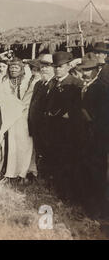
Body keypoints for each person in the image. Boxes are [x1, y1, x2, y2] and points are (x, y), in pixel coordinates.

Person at [43, 51, 83, 201]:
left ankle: (69, 195)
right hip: (53, 130)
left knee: (68, 162)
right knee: (55, 160)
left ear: (67, 67)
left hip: (69, 132)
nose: (57, 69)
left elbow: (79, 109)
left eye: (60, 67)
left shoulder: (76, 83)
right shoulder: (53, 83)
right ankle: (58, 191)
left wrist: (68, 115)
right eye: (55, 67)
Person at [0, 58, 39, 182]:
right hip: (9, 116)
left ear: (21, 69)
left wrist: (23, 108)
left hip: (23, 116)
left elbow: (30, 98)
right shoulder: (4, 81)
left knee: (24, 144)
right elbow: (0, 98)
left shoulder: (28, 81)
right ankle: (9, 170)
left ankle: (24, 170)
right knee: (9, 143)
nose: (13, 70)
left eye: (16, 67)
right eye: (11, 67)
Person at [77, 57, 109, 217]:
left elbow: (103, 117)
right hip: (86, 136)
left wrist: (89, 121)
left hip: (97, 137)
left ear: (97, 70)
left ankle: (100, 210)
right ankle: (90, 207)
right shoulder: (87, 86)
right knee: (87, 171)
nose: (85, 73)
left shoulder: (100, 88)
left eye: (88, 70)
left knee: (97, 173)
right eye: (83, 70)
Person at [28, 54, 54, 181]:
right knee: (40, 151)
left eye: (48, 66)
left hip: (49, 127)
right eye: (43, 66)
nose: (44, 69)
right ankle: (41, 175)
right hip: (37, 126)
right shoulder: (39, 84)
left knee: (49, 152)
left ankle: (49, 178)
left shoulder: (55, 84)